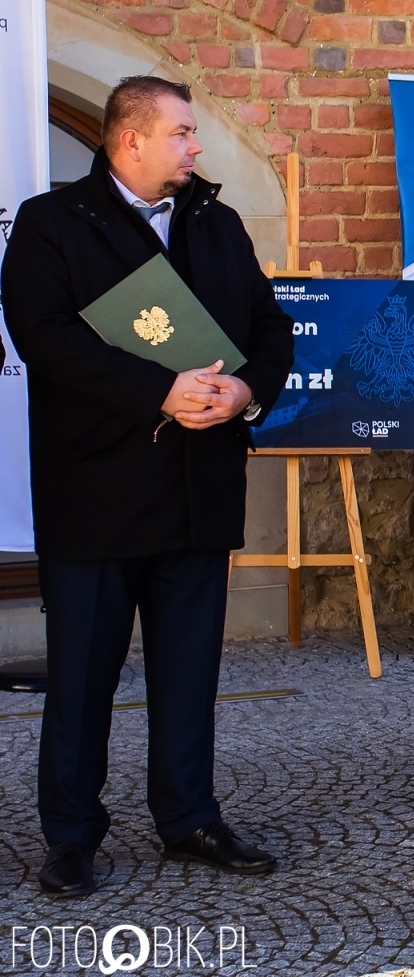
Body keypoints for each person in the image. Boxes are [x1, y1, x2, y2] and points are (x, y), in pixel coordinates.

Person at [1, 75, 295, 899]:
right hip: (95, 492)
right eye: (183, 133)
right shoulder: (54, 223)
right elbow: (46, 338)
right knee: (83, 679)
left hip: (199, 488)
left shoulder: (218, 221)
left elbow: (268, 330)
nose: (196, 147)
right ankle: (69, 836)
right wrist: (156, 391)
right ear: (130, 140)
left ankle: (189, 817)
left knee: (188, 670)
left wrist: (248, 392)